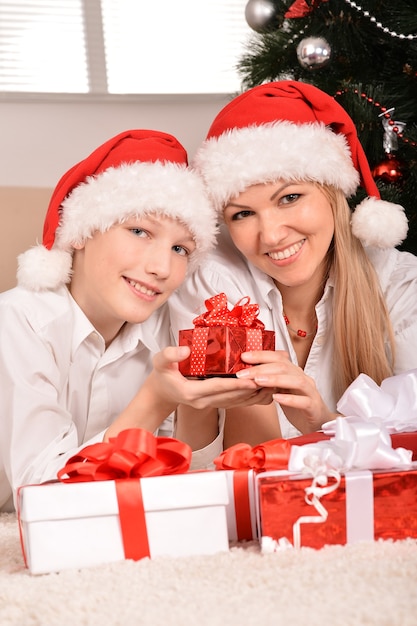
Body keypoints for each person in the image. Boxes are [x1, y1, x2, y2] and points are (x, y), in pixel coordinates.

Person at [0, 129, 273, 512]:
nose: (161, 267)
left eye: (180, 248)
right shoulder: (17, 321)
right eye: (139, 231)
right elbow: (42, 497)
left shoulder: (166, 332)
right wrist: (155, 400)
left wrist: (197, 403)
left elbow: (178, 483)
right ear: (80, 231)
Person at [169, 80, 417, 455]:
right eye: (243, 213)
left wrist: (322, 421)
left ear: (332, 193)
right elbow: (246, 460)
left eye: (289, 198)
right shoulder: (214, 280)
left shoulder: (399, 283)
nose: (270, 236)